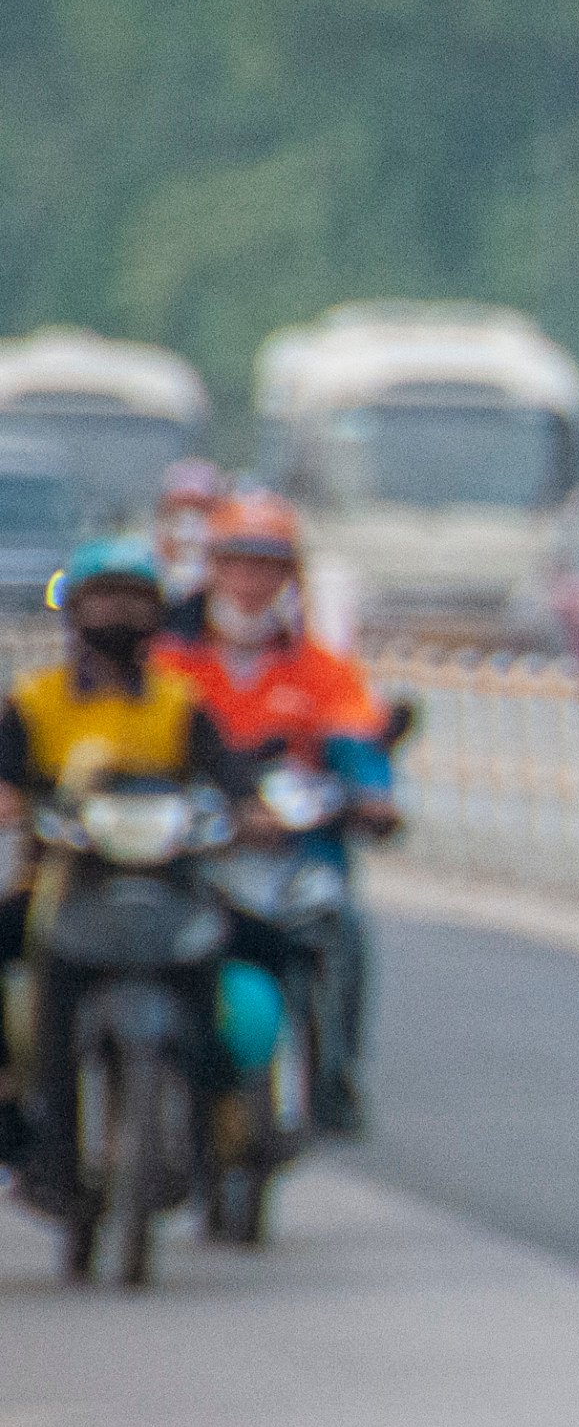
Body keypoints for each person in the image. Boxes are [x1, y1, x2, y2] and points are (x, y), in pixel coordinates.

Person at [0, 539, 256, 1207]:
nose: (118, 614)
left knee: (249, 950)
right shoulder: (36, 700)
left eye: (134, 600)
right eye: (104, 599)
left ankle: (226, 1112)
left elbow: (231, 777)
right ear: (76, 613)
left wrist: (255, 809)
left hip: (169, 884)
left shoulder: (181, 700)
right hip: (59, 884)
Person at [156, 494, 400, 1132]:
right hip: (187, 852)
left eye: (267, 566)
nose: (250, 582)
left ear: (290, 576)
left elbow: (359, 742)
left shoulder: (322, 670)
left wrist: (374, 795)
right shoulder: (169, 662)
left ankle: (331, 1076)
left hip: (293, 853)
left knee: (342, 930)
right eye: (237, 563)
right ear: (211, 568)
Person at [151, 459, 224, 636]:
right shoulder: (147, 581)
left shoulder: (230, 594)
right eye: (178, 511)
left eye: (201, 509)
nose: (188, 527)